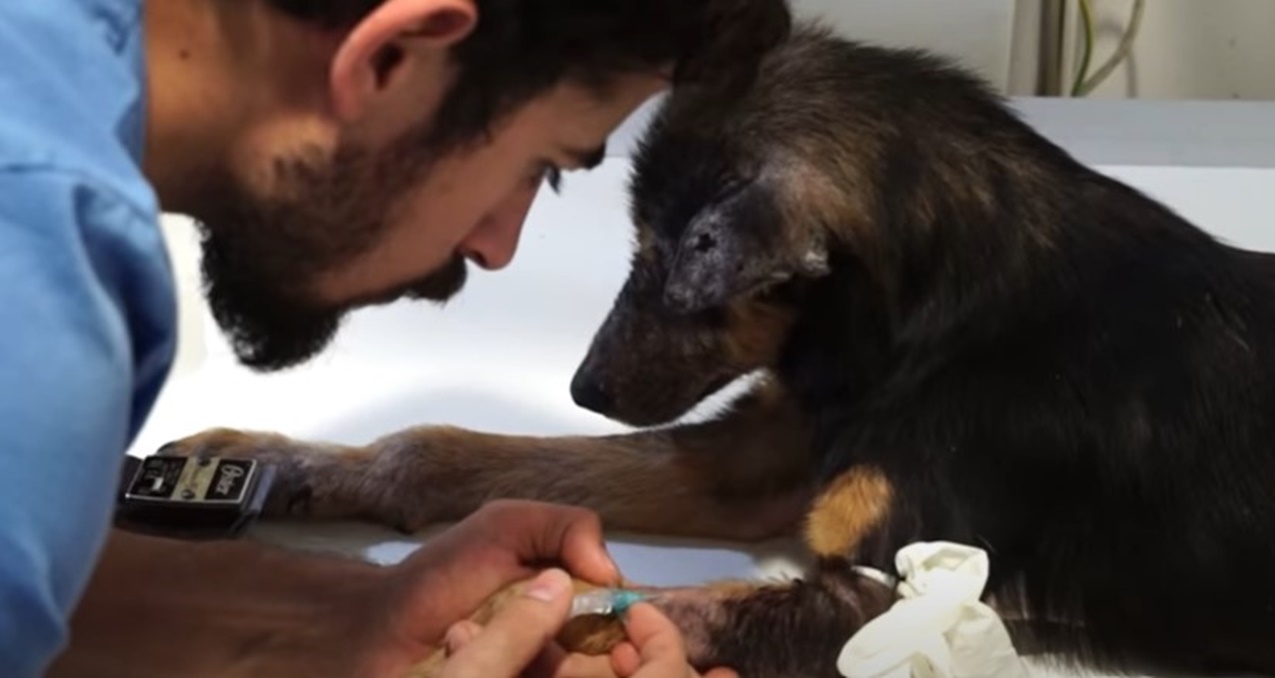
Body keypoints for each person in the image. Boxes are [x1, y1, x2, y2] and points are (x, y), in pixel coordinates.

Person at [0, 0, 790, 675]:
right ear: (393, 60)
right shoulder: (37, 295)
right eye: (542, 166)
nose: (498, 245)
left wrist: (338, 614)